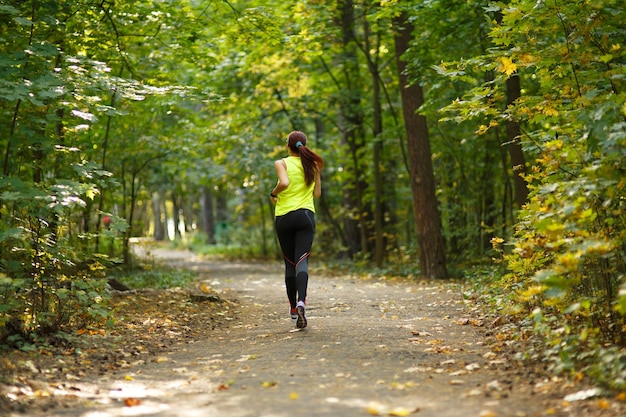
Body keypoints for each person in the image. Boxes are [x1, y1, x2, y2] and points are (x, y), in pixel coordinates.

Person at [270, 131, 324, 329]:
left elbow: (283, 183)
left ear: (288, 146)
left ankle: (293, 308)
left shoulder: (281, 163)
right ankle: (302, 302)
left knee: (290, 263)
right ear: (304, 145)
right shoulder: (313, 165)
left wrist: (273, 192)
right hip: (306, 217)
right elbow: (317, 194)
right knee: (302, 261)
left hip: (284, 216)